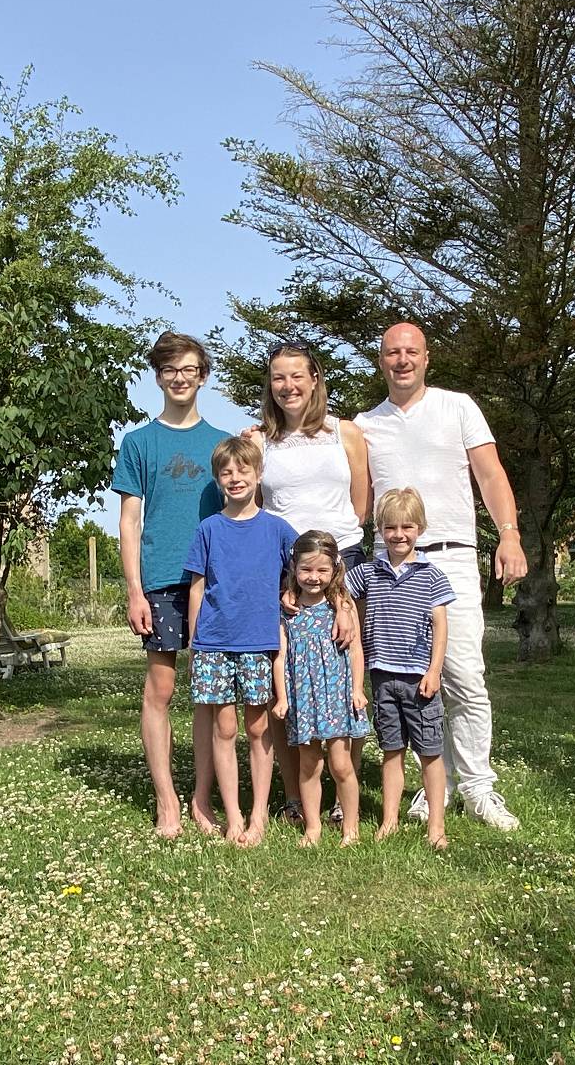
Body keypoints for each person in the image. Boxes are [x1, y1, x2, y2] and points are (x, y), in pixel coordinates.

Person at [353, 322, 529, 831]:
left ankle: (477, 786)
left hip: (451, 558)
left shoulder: (458, 407)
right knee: (404, 677)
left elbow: (491, 475)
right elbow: (348, 488)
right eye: (392, 352)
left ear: (427, 358)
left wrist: (510, 535)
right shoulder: (366, 425)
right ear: (380, 360)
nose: (402, 360)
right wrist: (261, 436)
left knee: (463, 677)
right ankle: (436, 783)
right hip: (391, 565)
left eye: (411, 351)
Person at [246, 344, 369, 828]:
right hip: (283, 568)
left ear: (316, 378)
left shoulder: (347, 433)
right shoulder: (260, 442)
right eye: (278, 377)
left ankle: (345, 792)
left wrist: (338, 587)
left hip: (342, 561)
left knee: (341, 674)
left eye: (297, 376)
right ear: (270, 385)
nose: (288, 386)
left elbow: (361, 505)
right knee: (287, 680)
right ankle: (297, 795)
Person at [114, 332, 227, 839]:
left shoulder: (224, 444)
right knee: (161, 688)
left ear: (203, 375)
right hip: (160, 579)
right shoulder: (139, 443)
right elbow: (129, 521)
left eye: (189, 369)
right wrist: (134, 590)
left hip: (214, 581)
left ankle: (202, 800)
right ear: (158, 377)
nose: (179, 378)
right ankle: (167, 800)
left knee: (207, 694)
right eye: (169, 371)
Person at [184, 436, 298, 845]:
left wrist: (291, 594)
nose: (235, 478)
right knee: (225, 728)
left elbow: (306, 570)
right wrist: (197, 643)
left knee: (258, 726)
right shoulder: (208, 529)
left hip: (260, 641)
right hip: (214, 643)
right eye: (226, 473)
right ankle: (233, 815)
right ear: (218, 479)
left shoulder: (278, 529)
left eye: (243, 470)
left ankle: (259, 815)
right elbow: (197, 589)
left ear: (258, 475)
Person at [345, 488, 454, 849]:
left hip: (419, 679)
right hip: (381, 676)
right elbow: (337, 592)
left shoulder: (431, 575)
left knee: (429, 753)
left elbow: (440, 626)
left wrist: (434, 670)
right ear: (379, 530)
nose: (399, 534)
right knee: (391, 751)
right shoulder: (367, 572)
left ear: (420, 528)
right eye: (390, 527)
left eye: (407, 526)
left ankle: (436, 827)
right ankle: (389, 820)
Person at [272, 530, 369, 847]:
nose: (313, 577)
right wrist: (283, 697)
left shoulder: (341, 604)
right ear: (294, 568)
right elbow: (280, 655)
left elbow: (355, 651)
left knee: (341, 764)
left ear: (334, 569)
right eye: (306, 570)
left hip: (336, 696)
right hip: (302, 697)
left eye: (322, 570)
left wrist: (357, 688)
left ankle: (350, 828)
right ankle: (312, 828)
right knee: (309, 764)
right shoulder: (288, 609)